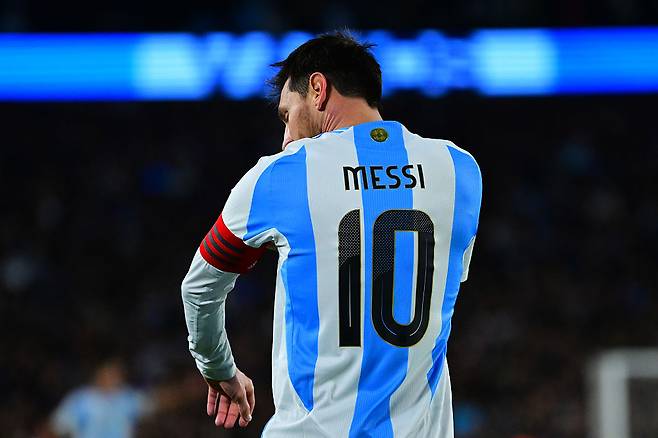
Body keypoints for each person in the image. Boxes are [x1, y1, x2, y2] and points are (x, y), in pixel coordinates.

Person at [181, 30, 482, 437]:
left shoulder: (280, 175)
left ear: (318, 90)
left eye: (287, 115)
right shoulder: (460, 170)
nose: (286, 137)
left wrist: (218, 367)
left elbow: (199, 288)